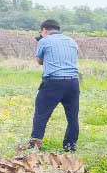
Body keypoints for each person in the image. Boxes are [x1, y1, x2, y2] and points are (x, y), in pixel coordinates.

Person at [30, 19, 81, 152]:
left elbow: (40, 61)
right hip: (73, 82)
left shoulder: (44, 41)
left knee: (41, 113)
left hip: (53, 82)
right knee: (72, 116)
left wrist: (40, 42)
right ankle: (70, 145)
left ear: (44, 30)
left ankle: (35, 143)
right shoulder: (71, 41)